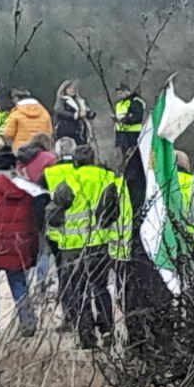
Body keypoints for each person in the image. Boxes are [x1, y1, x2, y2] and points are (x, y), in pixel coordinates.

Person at [47, 144, 121, 349]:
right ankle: (107, 331)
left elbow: (54, 213)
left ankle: (87, 338)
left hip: (74, 246)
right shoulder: (107, 178)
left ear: (75, 162)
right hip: (100, 243)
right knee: (100, 287)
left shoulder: (70, 180)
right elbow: (115, 209)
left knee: (79, 291)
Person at [0, 150, 43, 336]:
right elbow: (32, 223)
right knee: (19, 285)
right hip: (17, 245)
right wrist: (33, 250)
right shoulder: (25, 190)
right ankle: (27, 323)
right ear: (14, 167)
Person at [111, 86, 144, 155]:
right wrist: (116, 119)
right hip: (120, 134)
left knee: (133, 154)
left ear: (127, 93)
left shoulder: (135, 102)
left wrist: (128, 120)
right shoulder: (119, 104)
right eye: (118, 93)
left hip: (132, 134)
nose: (118, 95)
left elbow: (138, 116)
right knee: (122, 155)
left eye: (121, 93)